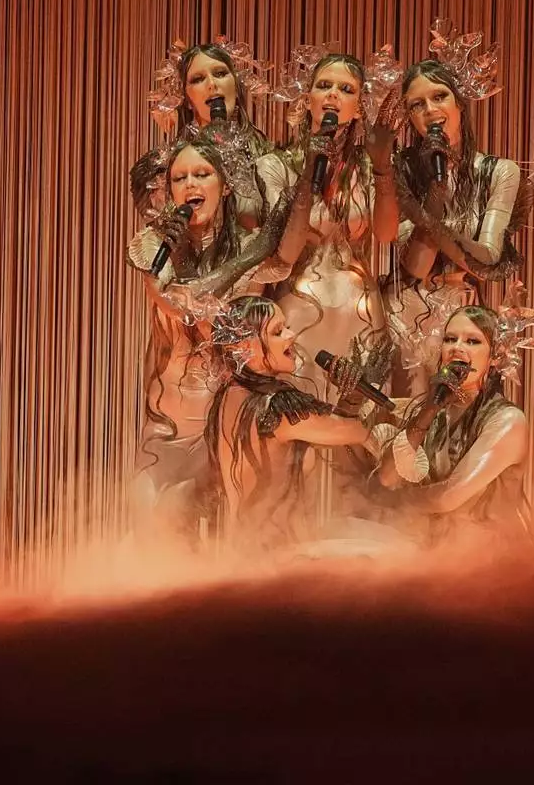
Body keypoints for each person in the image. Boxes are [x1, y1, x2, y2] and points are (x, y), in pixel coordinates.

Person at [123, 132, 307, 545]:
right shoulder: (154, 246)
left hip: (228, 422)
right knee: (151, 534)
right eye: (179, 178)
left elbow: (280, 267)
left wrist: (265, 239)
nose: (190, 184)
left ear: (224, 186)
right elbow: (183, 307)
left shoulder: (246, 246)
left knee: (227, 543)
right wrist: (251, 253)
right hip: (169, 426)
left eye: (202, 174)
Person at [385, 20, 534, 397]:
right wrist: (434, 191)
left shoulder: (499, 172)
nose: (430, 110)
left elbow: (486, 260)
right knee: (408, 414)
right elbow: (415, 267)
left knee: (460, 410)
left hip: (464, 314)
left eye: (439, 97)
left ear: (459, 103)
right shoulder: (401, 168)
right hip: (406, 312)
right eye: (417, 105)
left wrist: (423, 217)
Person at [259, 47, 404, 400]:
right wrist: (309, 171)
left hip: (361, 314)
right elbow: (285, 253)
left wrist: (383, 169)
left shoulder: (369, 167)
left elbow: (387, 234)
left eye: (346, 89)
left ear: (359, 108)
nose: (333, 95)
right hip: (296, 313)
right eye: (324, 85)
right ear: (307, 98)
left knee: (357, 420)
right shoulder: (276, 165)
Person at [203, 296, 392, 556]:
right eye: (277, 331)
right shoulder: (277, 406)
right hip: (276, 558)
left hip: (245, 553)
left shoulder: (228, 396)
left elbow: (332, 430)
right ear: (244, 347)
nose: (291, 336)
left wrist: (353, 396)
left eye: (287, 327)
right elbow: (358, 432)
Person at [375, 303, 534, 547]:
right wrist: (428, 411)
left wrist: (396, 501)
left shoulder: (508, 420)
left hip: (496, 556)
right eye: (450, 339)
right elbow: (388, 477)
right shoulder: (431, 411)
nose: (457, 348)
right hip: (437, 550)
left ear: (495, 357)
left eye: (472, 341)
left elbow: (448, 497)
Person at [147, 37, 274, 227]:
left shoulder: (268, 156)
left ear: (236, 87)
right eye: (198, 79)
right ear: (186, 98)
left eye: (220, 73)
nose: (212, 84)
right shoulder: (166, 167)